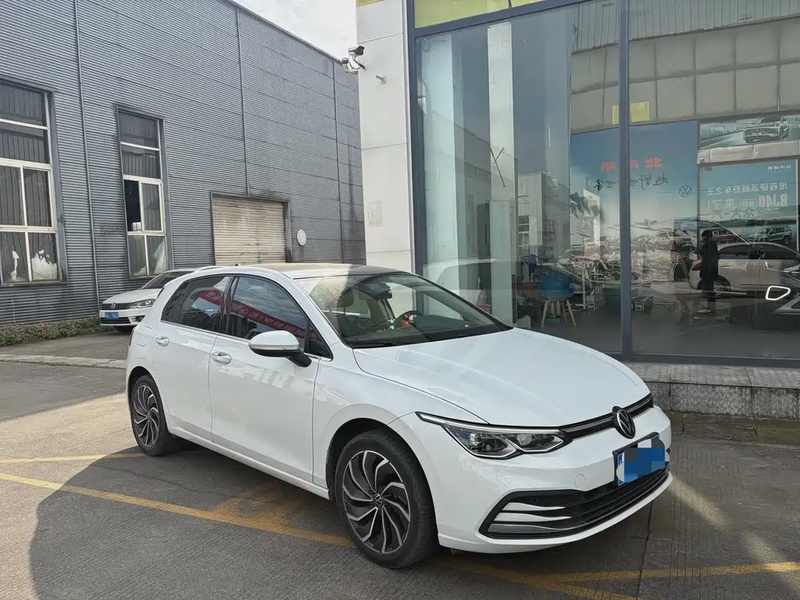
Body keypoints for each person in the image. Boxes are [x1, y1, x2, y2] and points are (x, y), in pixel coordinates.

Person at [697, 230, 719, 314]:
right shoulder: (708, 246)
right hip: (707, 271)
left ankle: (711, 308)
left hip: (709, 272)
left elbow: (710, 259)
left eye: (705, 239)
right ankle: (711, 307)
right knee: (708, 290)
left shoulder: (711, 247)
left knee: (709, 290)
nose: (704, 241)